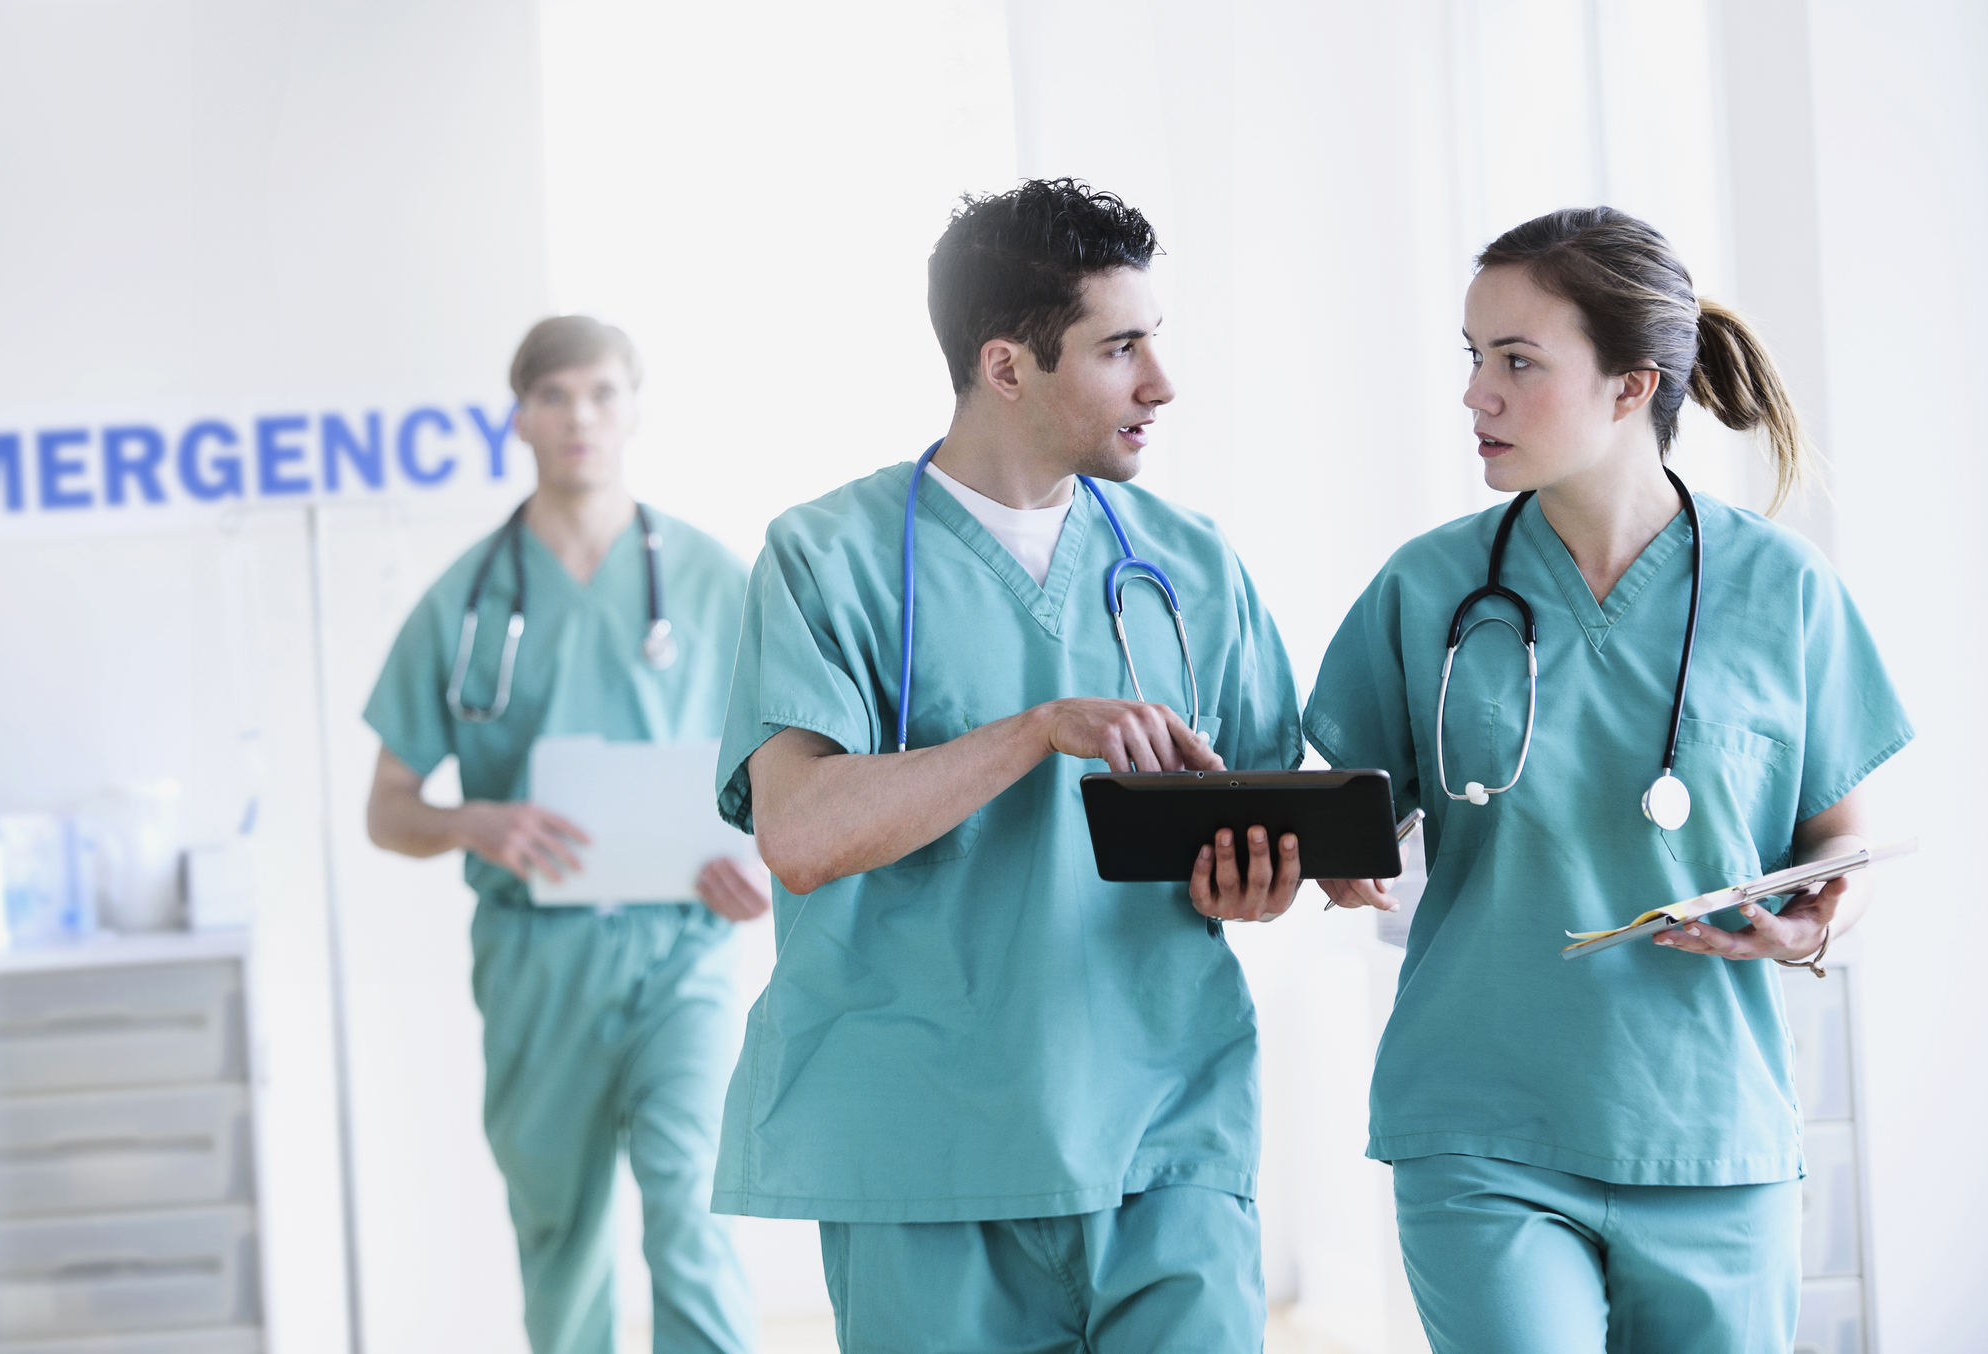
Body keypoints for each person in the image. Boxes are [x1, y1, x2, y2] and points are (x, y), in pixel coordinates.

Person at [710, 179, 1304, 1351]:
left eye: (1156, 342)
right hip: (925, 1150)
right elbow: (802, 833)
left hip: (1161, 1126)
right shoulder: (826, 558)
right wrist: (1037, 730)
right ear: (1006, 365)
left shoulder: (1189, 564)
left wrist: (1265, 878)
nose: (1159, 385)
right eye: (1119, 347)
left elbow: (1270, 803)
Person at [1308, 207, 1913, 1353]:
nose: (1476, 394)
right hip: (1482, 1122)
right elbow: (1345, 818)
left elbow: (1843, 845)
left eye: (1517, 361)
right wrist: (1333, 865)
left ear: (1633, 386)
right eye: (1473, 357)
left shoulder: (1782, 591)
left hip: (1709, 1134)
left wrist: (1813, 929)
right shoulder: (1425, 586)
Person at [362, 316, 765, 1354]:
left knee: (692, 1206)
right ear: (520, 415)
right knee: (562, 1233)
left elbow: (792, 765)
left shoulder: (715, 580)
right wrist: (472, 821)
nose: (578, 415)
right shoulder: (465, 600)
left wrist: (764, 857)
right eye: (553, 396)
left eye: (599, 392)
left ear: (632, 409)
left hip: (686, 945)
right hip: (537, 960)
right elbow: (388, 808)